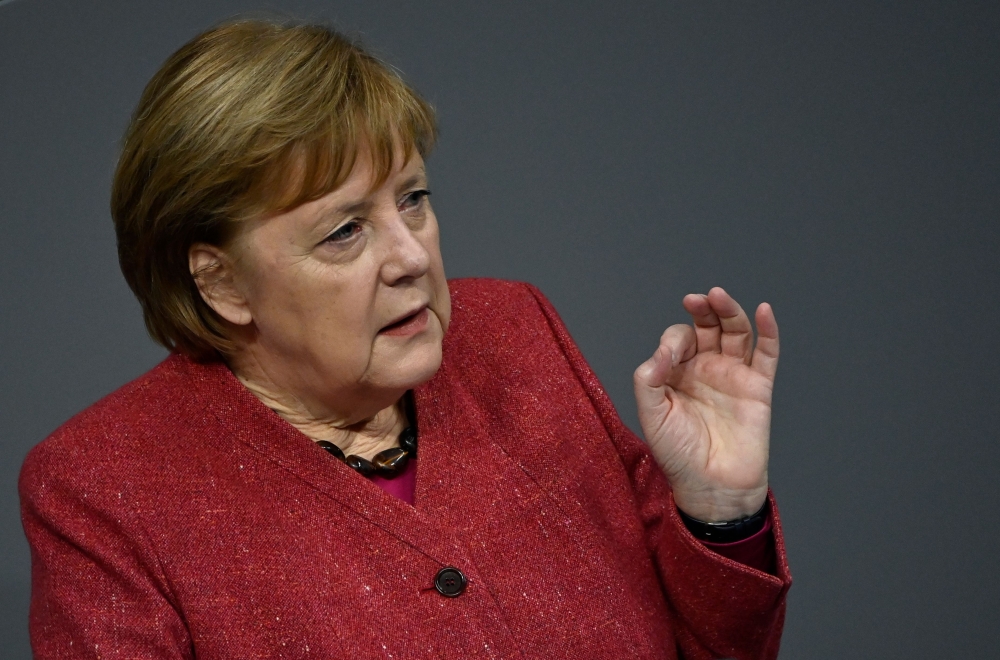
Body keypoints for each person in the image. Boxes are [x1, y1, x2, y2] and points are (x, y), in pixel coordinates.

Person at [19, 19, 791, 659]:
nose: (413, 256)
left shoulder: (517, 339)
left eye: (413, 200)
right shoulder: (104, 488)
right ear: (222, 283)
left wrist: (720, 513)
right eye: (346, 231)